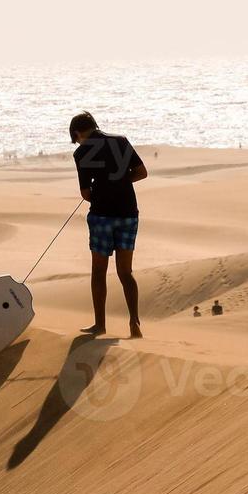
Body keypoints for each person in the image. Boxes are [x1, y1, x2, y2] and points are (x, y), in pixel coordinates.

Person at [72, 111, 148, 338]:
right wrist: (121, 182)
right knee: (126, 272)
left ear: (77, 133)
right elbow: (142, 173)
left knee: (99, 272)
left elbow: (86, 193)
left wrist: (103, 190)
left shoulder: (82, 152)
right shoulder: (121, 141)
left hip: (102, 215)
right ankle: (134, 323)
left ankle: (100, 325)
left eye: (76, 138)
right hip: (128, 213)